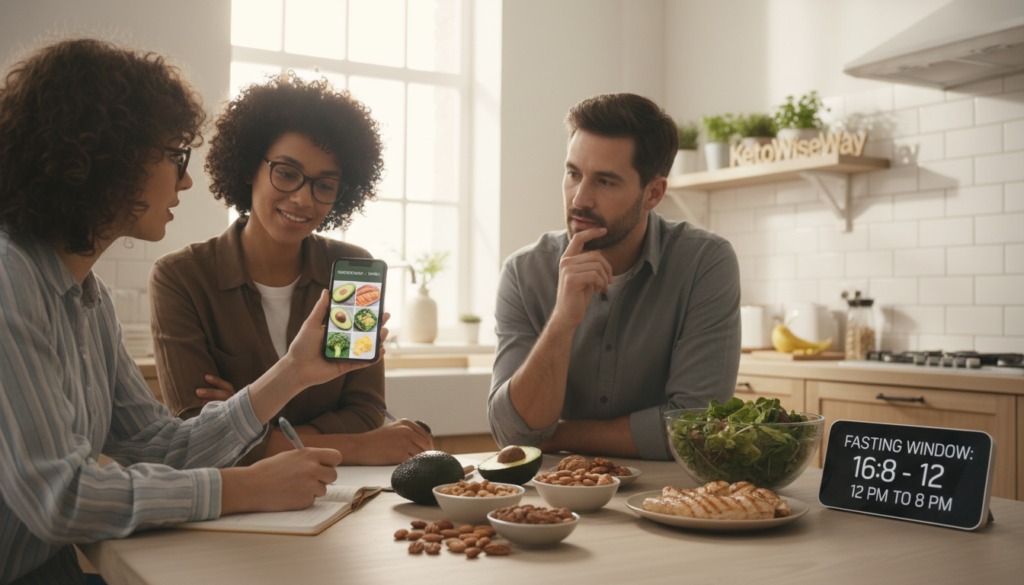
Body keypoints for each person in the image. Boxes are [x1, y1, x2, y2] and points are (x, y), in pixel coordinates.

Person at [0, 39, 383, 584]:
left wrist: (294, 371)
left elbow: (159, 443)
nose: (184, 180)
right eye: (174, 157)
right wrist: (246, 487)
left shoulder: (89, 299)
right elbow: (61, 498)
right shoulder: (9, 281)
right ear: (108, 157)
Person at [149, 74, 432, 465]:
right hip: (240, 504)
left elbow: (365, 409)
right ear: (249, 167)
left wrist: (257, 430)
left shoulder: (353, 271)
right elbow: (195, 432)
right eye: (286, 173)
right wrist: (356, 445)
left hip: (340, 492)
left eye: (325, 185)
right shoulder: (182, 278)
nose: (302, 198)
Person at [487, 93, 741, 461]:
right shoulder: (524, 272)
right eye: (573, 174)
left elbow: (693, 428)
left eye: (604, 182)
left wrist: (559, 435)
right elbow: (512, 433)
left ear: (653, 193)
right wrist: (562, 320)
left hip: (666, 497)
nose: (579, 199)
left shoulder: (705, 263)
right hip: (555, 497)